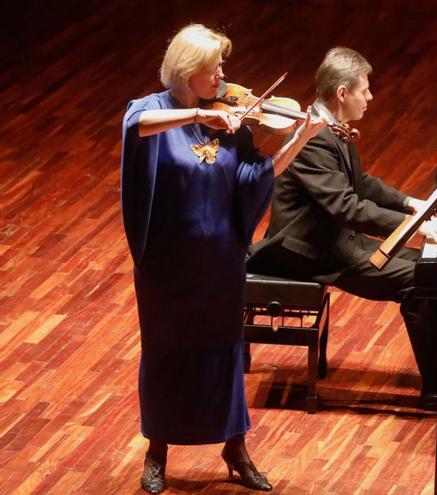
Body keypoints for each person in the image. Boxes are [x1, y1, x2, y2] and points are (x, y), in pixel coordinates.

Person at [120, 24, 326, 494]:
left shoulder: (231, 123)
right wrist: (198, 115)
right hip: (167, 268)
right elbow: (136, 128)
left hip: (220, 262)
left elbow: (258, 177)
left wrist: (302, 138)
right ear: (188, 72)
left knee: (224, 352)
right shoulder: (151, 112)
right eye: (214, 69)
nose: (223, 77)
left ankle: (235, 447)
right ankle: (158, 450)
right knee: (166, 353)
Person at [246, 47, 437, 411]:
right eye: (365, 89)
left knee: (428, 270)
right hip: (307, 252)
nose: (371, 97)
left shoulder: (329, 127)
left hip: (333, 240)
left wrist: (411, 203)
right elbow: (346, 207)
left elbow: (360, 183)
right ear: (343, 94)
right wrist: (418, 226)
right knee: (420, 279)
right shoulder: (313, 139)